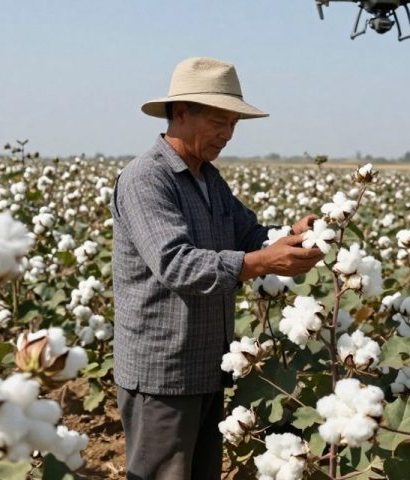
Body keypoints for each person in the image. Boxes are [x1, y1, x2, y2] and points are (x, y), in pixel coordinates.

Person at [110, 56, 325, 479]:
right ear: (182, 112)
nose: (227, 135)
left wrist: (293, 236)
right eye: (218, 122)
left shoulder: (209, 179)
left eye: (233, 125)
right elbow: (177, 264)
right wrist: (264, 261)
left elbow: (252, 236)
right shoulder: (146, 179)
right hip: (163, 374)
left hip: (209, 366)